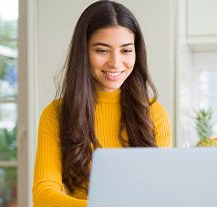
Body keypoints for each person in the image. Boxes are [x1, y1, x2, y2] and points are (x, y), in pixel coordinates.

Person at [32, 1, 171, 206]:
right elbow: (43, 195)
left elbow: (162, 193)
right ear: (84, 52)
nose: (115, 63)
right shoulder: (56, 114)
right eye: (102, 50)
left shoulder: (154, 113)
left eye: (126, 50)